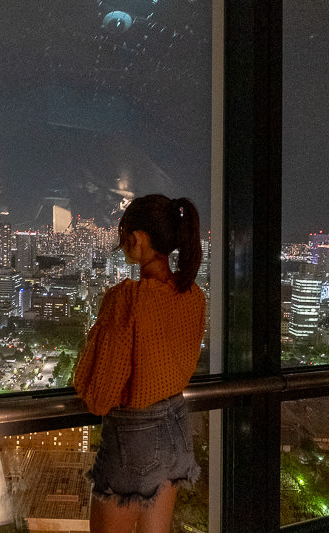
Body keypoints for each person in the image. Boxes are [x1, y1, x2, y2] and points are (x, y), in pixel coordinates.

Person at [74, 194, 206, 533]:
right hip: (177, 426)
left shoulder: (127, 299)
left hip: (134, 440)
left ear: (138, 238)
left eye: (123, 237)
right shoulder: (193, 297)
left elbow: (98, 396)